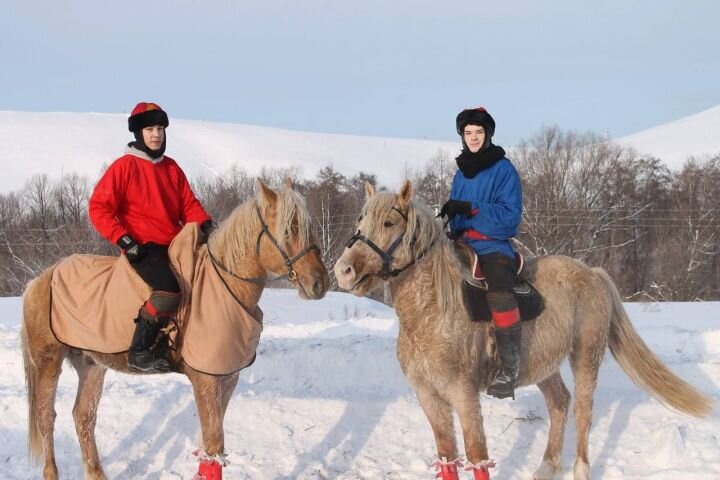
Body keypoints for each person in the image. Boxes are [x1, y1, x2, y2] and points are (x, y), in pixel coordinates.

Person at [89, 102, 216, 373]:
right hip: (142, 248)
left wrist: (204, 223)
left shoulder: (171, 168)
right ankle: (140, 351)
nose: (156, 134)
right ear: (138, 134)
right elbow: (99, 208)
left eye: (160, 128)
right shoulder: (124, 167)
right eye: (149, 129)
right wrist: (123, 240)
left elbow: (188, 204)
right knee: (170, 289)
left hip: (174, 244)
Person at [439, 106, 523, 399]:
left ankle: (508, 368)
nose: (473, 137)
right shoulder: (461, 173)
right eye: (468, 133)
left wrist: (471, 208)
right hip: (461, 245)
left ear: (487, 134)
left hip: (492, 246)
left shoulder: (503, 169)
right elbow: (459, 216)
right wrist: (452, 217)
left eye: (478, 132)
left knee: (499, 288)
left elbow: (509, 216)